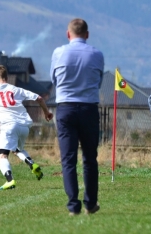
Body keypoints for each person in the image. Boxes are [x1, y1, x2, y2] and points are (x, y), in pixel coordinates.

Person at [50, 18, 104, 215]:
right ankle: (90, 203)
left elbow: (53, 79)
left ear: (68, 34)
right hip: (89, 108)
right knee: (90, 158)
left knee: (68, 159)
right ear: (87, 34)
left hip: (65, 108)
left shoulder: (58, 53)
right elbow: (98, 82)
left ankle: (73, 205)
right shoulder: (97, 54)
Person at [0, 65, 53, 190]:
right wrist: (46, 112)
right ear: (6, 78)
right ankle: (32, 164)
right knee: (17, 149)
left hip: (9, 125)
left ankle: (10, 180)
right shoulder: (16, 89)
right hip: (24, 125)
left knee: (2, 155)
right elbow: (39, 98)